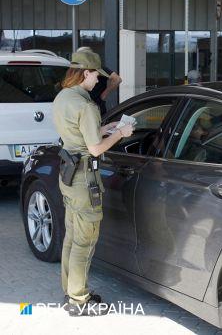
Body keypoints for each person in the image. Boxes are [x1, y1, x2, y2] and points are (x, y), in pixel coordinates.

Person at [52, 48, 134, 317]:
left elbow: (80, 134)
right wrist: (120, 133)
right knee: (85, 242)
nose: (98, 81)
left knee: (72, 237)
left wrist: (104, 128)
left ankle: (70, 290)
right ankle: (79, 300)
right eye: (95, 77)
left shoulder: (64, 98)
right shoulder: (86, 105)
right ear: (85, 73)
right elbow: (96, 149)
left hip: (68, 175)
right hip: (85, 178)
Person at [84, 47, 122, 116]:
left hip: (97, 103)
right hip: (85, 104)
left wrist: (104, 95)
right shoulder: (80, 70)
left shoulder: (100, 68)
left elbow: (117, 79)